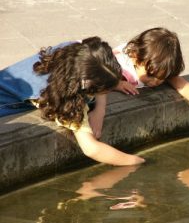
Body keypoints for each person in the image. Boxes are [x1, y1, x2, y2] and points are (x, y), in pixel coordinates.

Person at [0, 36, 145, 166]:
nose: (107, 92)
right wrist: (138, 161)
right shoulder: (61, 98)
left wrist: (100, 109)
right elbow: (91, 149)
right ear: (87, 89)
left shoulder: (73, 53)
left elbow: (97, 69)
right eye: (105, 90)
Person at [113, 27, 189, 138]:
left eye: (162, 78)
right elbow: (97, 80)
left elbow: (183, 86)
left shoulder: (159, 67)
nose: (155, 82)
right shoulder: (121, 69)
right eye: (150, 75)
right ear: (135, 57)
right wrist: (117, 84)